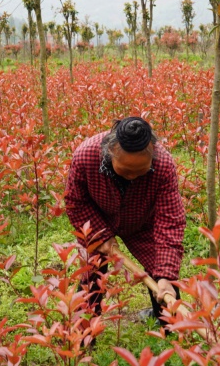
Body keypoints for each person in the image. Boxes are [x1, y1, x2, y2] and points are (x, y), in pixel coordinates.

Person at [64, 116, 186, 328]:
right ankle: (82, 338)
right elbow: (75, 201)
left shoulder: (164, 165)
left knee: (164, 279)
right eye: (126, 171)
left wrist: (166, 275)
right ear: (109, 154)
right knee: (91, 277)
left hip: (142, 223)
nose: (132, 177)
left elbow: (170, 221)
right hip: (98, 220)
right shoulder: (86, 156)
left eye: (140, 172)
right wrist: (99, 235)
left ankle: (172, 332)